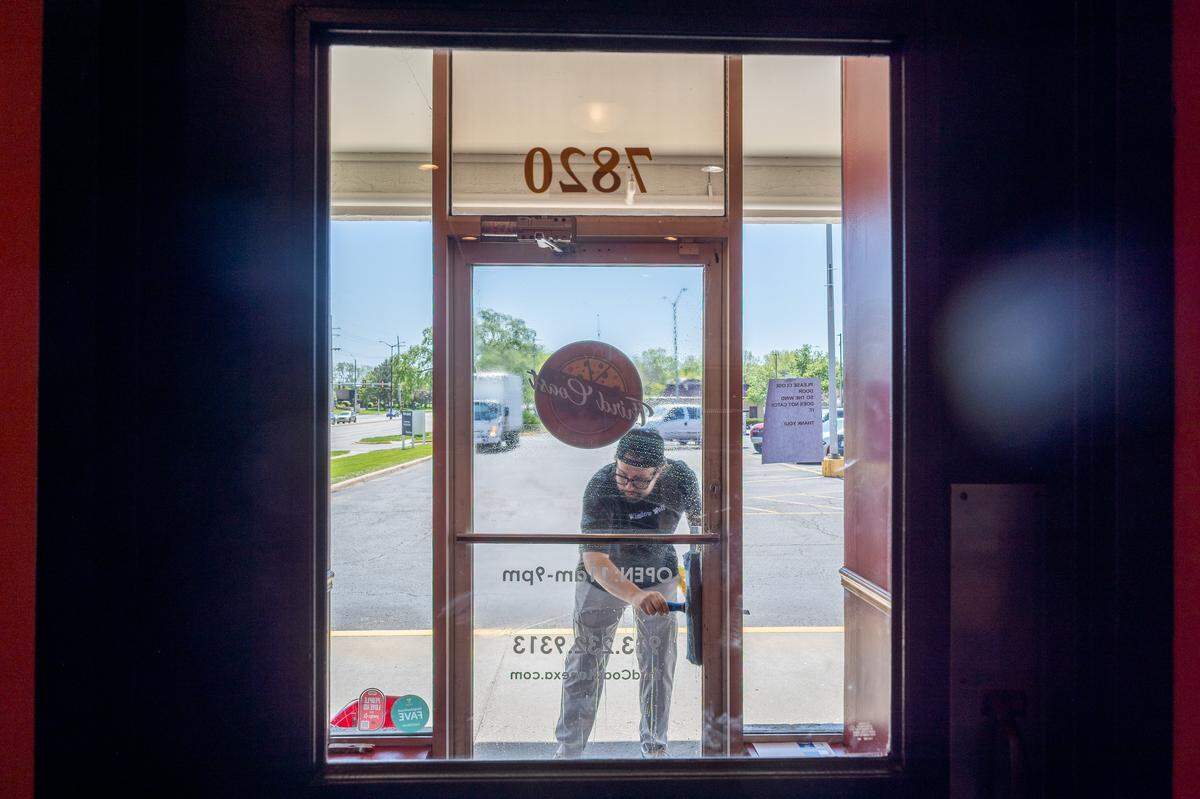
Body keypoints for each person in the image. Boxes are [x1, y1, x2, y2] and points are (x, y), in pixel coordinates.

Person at [554, 427, 701, 759]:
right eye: (623, 475)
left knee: (658, 661)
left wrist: (702, 574)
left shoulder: (680, 478)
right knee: (587, 659)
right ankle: (569, 750)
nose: (628, 485)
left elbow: (701, 523)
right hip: (603, 578)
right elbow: (594, 559)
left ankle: (655, 747)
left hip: (658, 572)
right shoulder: (601, 485)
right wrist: (634, 595)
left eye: (639, 480)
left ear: (660, 471)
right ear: (615, 463)